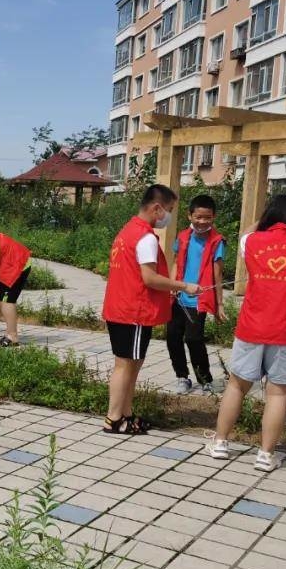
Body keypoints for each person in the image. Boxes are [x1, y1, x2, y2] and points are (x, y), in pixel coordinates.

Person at [208, 197, 286, 472]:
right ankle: (266, 455)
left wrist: (265, 217)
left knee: (236, 386)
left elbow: (247, 231)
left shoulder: (252, 241)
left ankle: (220, 442)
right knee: (279, 393)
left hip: (253, 326)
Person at [102, 184, 198, 435]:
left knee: (131, 364)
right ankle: (114, 418)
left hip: (121, 307)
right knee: (126, 365)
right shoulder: (145, 237)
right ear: (157, 208)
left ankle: (126, 414)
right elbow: (150, 278)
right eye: (169, 210)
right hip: (133, 310)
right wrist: (183, 285)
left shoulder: (128, 230)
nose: (169, 215)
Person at [167, 194, 226, 395]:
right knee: (173, 337)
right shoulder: (182, 237)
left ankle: (205, 379)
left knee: (194, 339)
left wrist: (220, 304)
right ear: (189, 215)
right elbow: (176, 261)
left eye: (207, 217)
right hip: (178, 297)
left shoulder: (217, 241)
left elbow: (218, 273)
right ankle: (182, 376)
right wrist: (174, 284)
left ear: (213, 217)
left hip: (199, 300)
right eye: (198, 217)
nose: (202, 222)